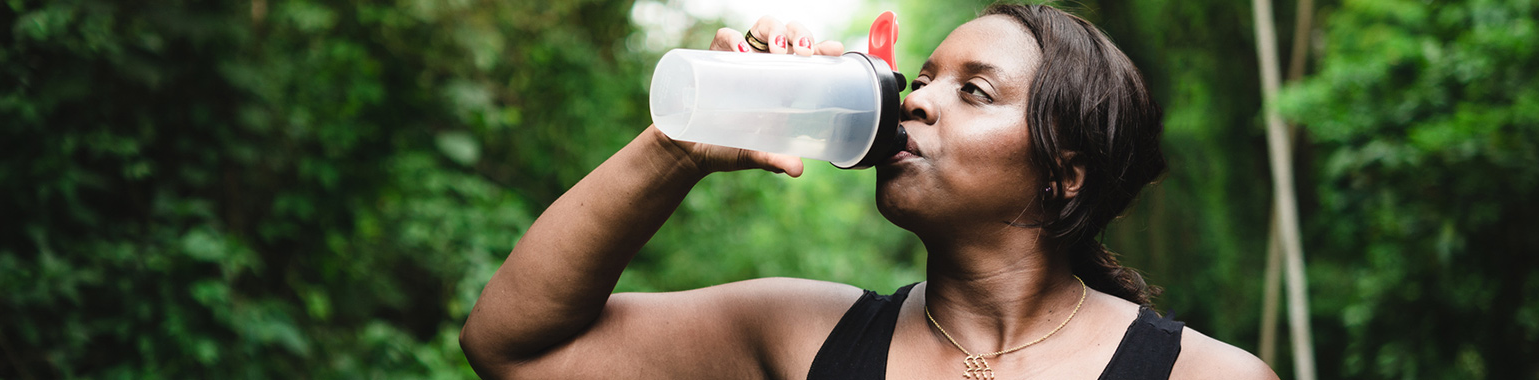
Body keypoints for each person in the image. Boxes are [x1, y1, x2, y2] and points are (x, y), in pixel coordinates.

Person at [460, 4, 1278, 379]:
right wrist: (677, 148)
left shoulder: (1200, 375)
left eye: (975, 91)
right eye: (922, 78)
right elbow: (514, 346)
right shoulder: (799, 334)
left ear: (1065, 172)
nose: (915, 98)